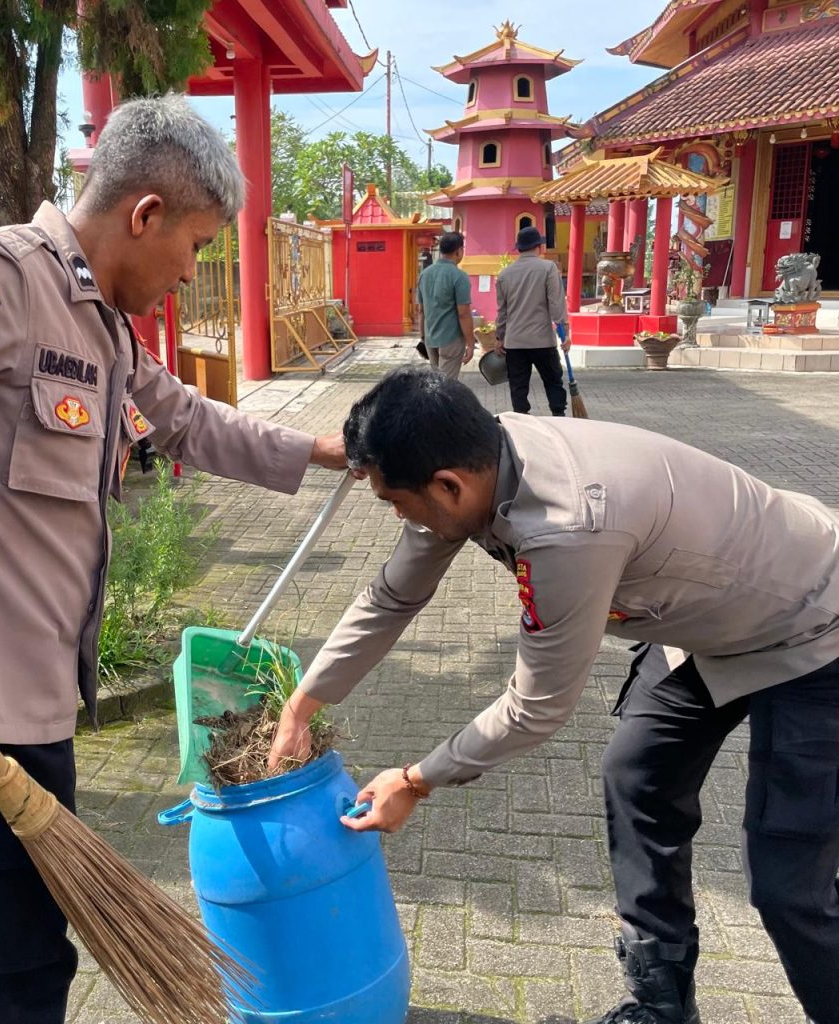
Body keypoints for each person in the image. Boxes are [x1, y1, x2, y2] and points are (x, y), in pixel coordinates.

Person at [0, 95, 346, 1024]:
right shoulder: (2, 279)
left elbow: (182, 417)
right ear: (144, 214)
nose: (192, 271)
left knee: (31, 963)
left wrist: (329, 452)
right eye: (193, 246)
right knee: (10, 978)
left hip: (37, 708)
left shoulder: (101, 322)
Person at [268, 367, 839, 1024]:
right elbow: (395, 595)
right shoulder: (477, 455)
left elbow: (533, 708)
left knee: (791, 886)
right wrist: (301, 705)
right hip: (703, 616)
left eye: (395, 503)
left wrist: (414, 781)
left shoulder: (567, 527)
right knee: (638, 779)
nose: (399, 519)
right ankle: (662, 1007)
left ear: (447, 485)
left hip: (812, 626)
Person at [495, 225, 571, 416]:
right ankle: (558, 416)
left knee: (518, 386)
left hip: (515, 342)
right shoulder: (548, 268)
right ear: (539, 246)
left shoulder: (505, 274)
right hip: (542, 340)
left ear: (519, 248)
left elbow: (502, 312)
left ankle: (521, 420)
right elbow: (556, 305)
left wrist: (499, 337)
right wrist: (565, 333)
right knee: (553, 381)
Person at [414, 231, 475, 379]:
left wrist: (423, 336)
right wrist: (471, 343)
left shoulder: (425, 274)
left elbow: (421, 310)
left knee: (436, 383)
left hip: (430, 338)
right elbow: (464, 313)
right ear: (458, 251)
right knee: (446, 387)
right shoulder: (459, 276)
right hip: (451, 338)